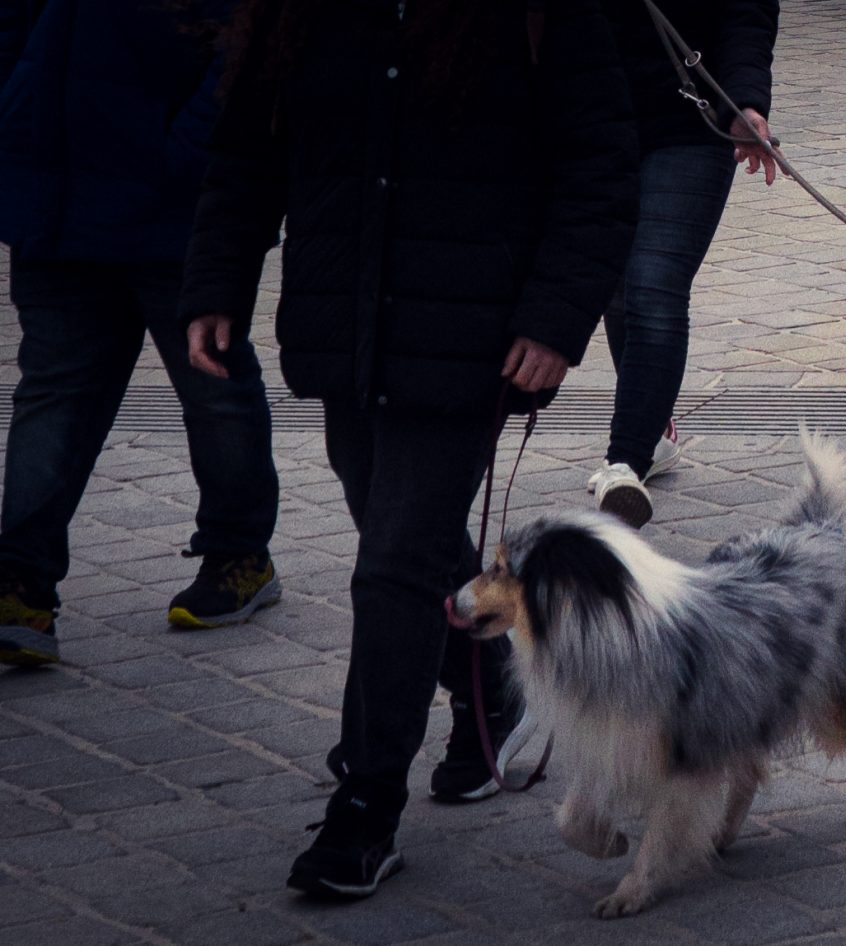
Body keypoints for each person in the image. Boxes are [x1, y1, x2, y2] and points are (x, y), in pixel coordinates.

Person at [183, 0, 635, 897]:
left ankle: (365, 806)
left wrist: (554, 317)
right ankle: (492, 677)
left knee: (391, 562)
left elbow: (600, 165)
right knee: (407, 539)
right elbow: (248, 149)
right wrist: (218, 278)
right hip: (346, 326)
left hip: (472, 335)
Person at [0, 0, 283, 668]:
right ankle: (20, 583)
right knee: (53, 394)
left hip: (171, 201)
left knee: (214, 384)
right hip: (56, 193)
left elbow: (247, 39)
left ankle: (238, 554)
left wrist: (186, 152)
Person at [586, 0, 780, 528]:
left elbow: (746, 11)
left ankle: (624, 464)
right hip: (590, 119)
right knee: (617, 287)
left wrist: (745, 101)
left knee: (654, 285)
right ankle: (651, 428)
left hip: (691, 120)